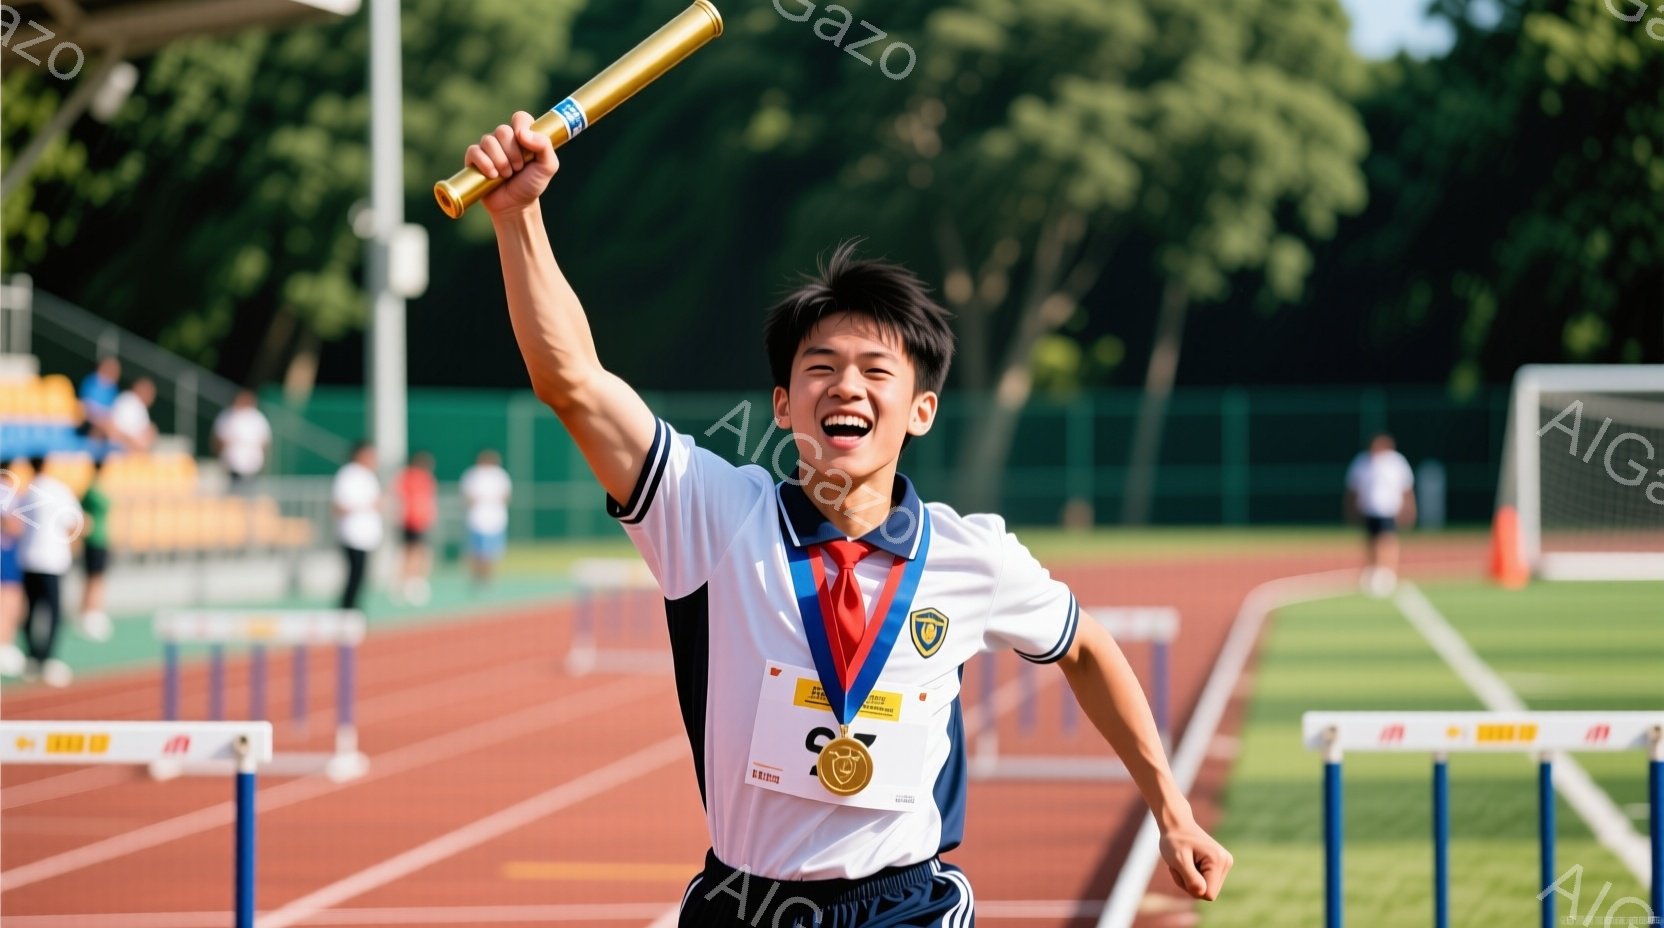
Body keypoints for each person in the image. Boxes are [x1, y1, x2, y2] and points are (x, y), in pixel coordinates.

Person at [462, 115, 1232, 924]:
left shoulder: (973, 555)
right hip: (744, 903)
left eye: (875, 370)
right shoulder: (713, 515)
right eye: (820, 367)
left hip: (906, 905)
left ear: (922, 410)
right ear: (782, 403)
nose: (846, 387)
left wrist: (1172, 811)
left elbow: (1084, 646)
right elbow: (574, 384)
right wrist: (519, 217)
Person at [15, 457, 81, 686]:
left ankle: (33, 656)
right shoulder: (59, 490)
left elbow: (16, 525)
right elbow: (74, 523)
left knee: (31, 608)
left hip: (28, 558)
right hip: (52, 560)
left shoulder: (26, 492)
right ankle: (47, 658)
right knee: (53, 611)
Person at [1345, 432, 1416, 596]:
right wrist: (1351, 508)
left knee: (1387, 540)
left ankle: (1387, 571)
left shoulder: (1396, 462)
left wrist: (1409, 508)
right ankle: (1372, 570)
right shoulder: (1362, 462)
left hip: (1389, 508)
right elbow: (1353, 488)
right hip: (1369, 508)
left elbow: (1406, 488)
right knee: (1371, 540)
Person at [332, 442, 381, 611]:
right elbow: (340, 505)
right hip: (352, 533)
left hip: (366, 535)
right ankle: (347, 608)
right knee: (354, 573)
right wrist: (365, 506)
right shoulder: (348, 475)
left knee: (360, 575)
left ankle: (352, 607)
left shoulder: (369, 476)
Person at [459, 449, 512, 590]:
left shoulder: (500, 475)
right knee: (477, 552)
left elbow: (506, 496)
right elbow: (467, 497)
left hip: (496, 521)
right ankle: (476, 578)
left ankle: (488, 579)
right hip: (477, 520)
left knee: (492, 552)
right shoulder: (472, 475)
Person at [75, 458, 113, 642]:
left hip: (101, 540)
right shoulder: (91, 490)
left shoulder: (98, 488)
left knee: (98, 578)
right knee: (92, 577)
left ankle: (94, 611)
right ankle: (87, 613)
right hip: (93, 540)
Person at [393, 452, 438, 605]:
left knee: (421, 553)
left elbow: (428, 500)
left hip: (421, 521)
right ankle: (405, 583)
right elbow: (400, 497)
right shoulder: (408, 477)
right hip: (411, 521)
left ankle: (415, 582)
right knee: (412, 553)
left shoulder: (426, 479)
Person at [212, 389, 272, 493]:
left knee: (249, 493)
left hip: (252, 464)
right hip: (232, 464)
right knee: (234, 494)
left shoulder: (257, 418)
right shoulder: (227, 415)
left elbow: (264, 441)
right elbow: (218, 439)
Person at [0, 459, 27, 677]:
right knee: (8, 598)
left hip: (7, 550)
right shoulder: (4, 490)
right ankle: (4, 644)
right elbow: (11, 524)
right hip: (5, 550)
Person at [109, 377, 158, 451]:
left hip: (131, 448)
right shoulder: (128, 401)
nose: (152, 398)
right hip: (119, 447)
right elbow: (116, 431)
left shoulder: (140, 406)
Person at [76, 357, 121, 438]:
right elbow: (85, 404)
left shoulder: (113, 389)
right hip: (87, 417)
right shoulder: (91, 381)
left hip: (102, 422)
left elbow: (112, 411)